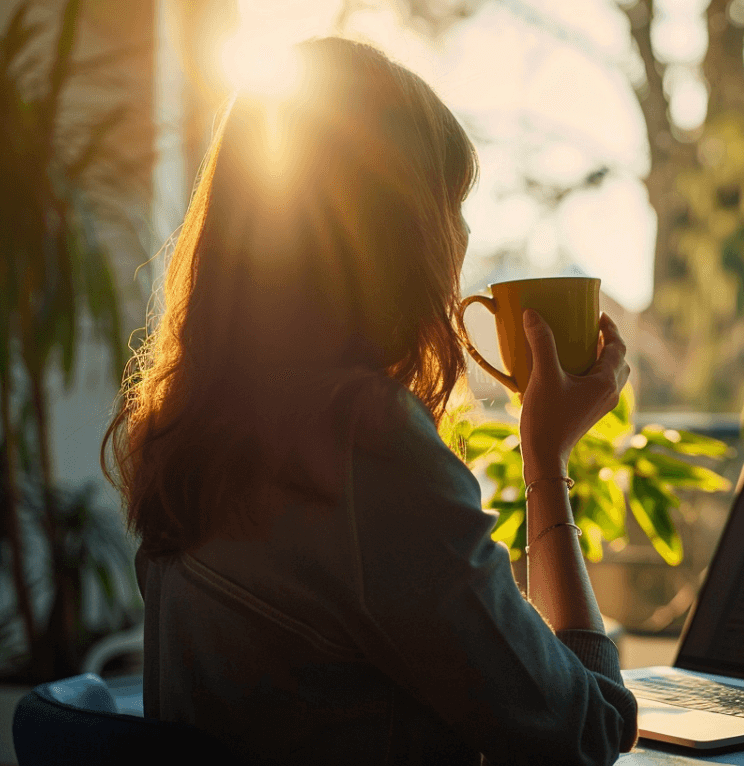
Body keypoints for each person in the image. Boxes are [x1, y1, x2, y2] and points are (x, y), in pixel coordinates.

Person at [103, 38, 637, 766]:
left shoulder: (182, 427)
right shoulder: (361, 440)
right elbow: (584, 736)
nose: (465, 235)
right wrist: (544, 459)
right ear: (395, 231)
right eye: (450, 203)